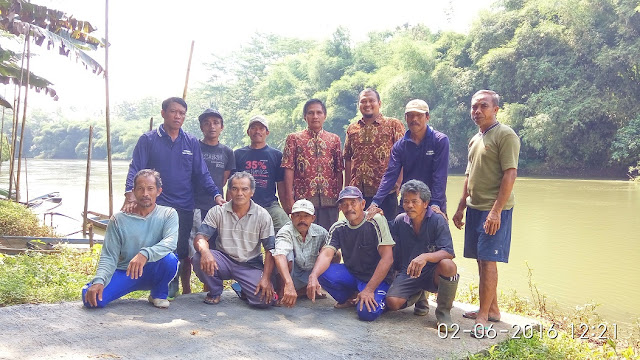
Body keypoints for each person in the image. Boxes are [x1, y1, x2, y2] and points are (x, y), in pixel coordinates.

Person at [122, 97, 224, 298]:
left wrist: (216, 195)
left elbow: (201, 173)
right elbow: (136, 168)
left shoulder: (191, 141)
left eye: (182, 113)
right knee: (155, 244)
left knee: (179, 249)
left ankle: (171, 288)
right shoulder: (148, 139)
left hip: (184, 205)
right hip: (156, 205)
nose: (178, 116)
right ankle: (153, 284)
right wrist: (129, 195)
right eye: (173, 112)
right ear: (163, 113)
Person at [452, 90, 520, 338]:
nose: (477, 111)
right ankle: (493, 310)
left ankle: (483, 316)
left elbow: (510, 174)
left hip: (494, 209)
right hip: (475, 208)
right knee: (481, 259)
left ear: (495, 110)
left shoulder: (505, 135)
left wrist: (496, 211)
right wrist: (461, 206)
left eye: (483, 106)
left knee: (489, 260)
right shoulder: (475, 139)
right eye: (474, 107)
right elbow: (468, 176)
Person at [83, 169, 179, 309]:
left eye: (150, 189)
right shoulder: (119, 219)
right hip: (126, 272)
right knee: (92, 300)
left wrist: (145, 254)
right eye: (140, 189)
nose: (145, 194)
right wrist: (99, 280)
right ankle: (92, 286)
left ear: (158, 191)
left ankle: (158, 294)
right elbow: (109, 255)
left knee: (170, 260)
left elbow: (170, 242)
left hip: (153, 269)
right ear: (134, 192)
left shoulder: (168, 214)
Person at [306, 186, 395, 321]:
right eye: (344, 204)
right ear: (340, 208)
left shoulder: (375, 220)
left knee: (366, 313)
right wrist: (313, 275)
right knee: (322, 272)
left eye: (353, 203)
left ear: (363, 204)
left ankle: (382, 299)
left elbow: (387, 259)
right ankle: (352, 297)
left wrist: (369, 289)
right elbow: (326, 254)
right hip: (354, 275)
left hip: (377, 279)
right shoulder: (338, 227)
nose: (349, 208)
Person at [192, 171, 276, 308]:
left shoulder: (262, 215)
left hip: (250, 264)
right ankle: (215, 291)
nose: (239, 193)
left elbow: (270, 249)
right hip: (223, 260)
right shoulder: (218, 211)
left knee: (265, 301)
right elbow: (200, 237)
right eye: (235, 189)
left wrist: (266, 278)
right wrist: (206, 252)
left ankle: (241, 287)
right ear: (229, 191)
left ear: (252, 192)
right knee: (198, 257)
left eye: (244, 189)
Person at [385, 180, 459, 331]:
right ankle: (419, 295)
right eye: (406, 201)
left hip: (432, 272)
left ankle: (444, 313)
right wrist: (377, 216)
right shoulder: (400, 221)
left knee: (448, 265)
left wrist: (425, 257)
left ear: (425, 203)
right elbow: (385, 232)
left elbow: (448, 251)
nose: (409, 205)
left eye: (414, 201)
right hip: (409, 273)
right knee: (392, 302)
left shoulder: (437, 220)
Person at [367, 99, 449, 220]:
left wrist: (436, 204)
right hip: (408, 202)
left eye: (419, 115)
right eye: (410, 115)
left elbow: (440, 175)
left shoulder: (439, 141)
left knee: (433, 235)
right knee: (401, 234)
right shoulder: (400, 146)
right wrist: (375, 202)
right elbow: (390, 175)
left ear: (427, 117)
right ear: (406, 118)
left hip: (432, 201)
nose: (414, 119)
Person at [282, 99, 344, 231]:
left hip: (330, 201)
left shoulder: (334, 139)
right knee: (304, 237)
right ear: (305, 116)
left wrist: (340, 198)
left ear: (324, 116)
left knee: (328, 238)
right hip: (303, 201)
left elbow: (339, 170)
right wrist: (289, 199)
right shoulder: (294, 139)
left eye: (318, 113)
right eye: (311, 113)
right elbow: (289, 169)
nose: (315, 116)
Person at [344, 88, 405, 222]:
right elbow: (348, 159)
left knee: (387, 233)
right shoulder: (352, 129)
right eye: (363, 101)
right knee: (360, 233)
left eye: (371, 101)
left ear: (379, 103)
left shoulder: (393, 125)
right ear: (359, 105)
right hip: (358, 195)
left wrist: (398, 183)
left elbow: (403, 156)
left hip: (386, 193)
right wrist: (347, 188)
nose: (367, 104)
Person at [270, 199, 332, 307]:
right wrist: (289, 283)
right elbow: (279, 255)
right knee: (286, 256)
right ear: (291, 217)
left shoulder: (321, 232)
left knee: (332, 254)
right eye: (297, 215)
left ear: (313, 218)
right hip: (291, 274)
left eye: (306, 216)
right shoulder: (286, 231)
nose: (302, 219)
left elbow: (331, 253)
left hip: (309, 274)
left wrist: (315, 276)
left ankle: (306, 290)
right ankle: (283, 292)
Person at [233, 115, 289, 235]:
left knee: (286, 230)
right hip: (244, 204)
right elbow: (232, 184)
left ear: (267, 132)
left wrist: (286, 208)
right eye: (253, 128)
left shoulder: (276, 155)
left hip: (270, 204)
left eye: (261, 128)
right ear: (248, 132)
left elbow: (281, 184)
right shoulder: (238, 154)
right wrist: (229, 208)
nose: (257, 131)